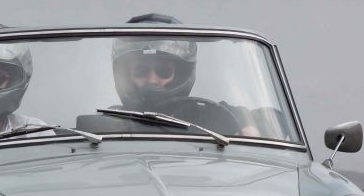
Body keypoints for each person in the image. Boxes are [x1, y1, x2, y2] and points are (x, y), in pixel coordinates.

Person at [111, 14, 261, 136]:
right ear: (126, 76)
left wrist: (249, 124)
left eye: (163, 71)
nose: (152, 80)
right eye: (141, 72)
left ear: (179, 75)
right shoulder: (110, 121)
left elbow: (271, 118)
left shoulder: (204, 114)